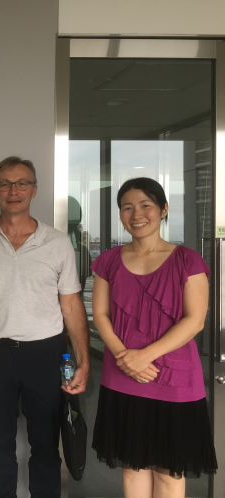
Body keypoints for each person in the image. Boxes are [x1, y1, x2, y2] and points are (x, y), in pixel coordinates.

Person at [0, 156, 90, 498]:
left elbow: (72, 305)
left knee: (45, 443)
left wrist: (84, 361)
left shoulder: (58, 243)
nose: (13, 191)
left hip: (45, 353)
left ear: (34, 190)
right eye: (5, 183)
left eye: (22, 183)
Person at [90, 177, 217, 498]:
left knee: (169, 471)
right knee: (132, 468)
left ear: (163, 210)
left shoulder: (188, 260)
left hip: (174, 379)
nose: (136, 214)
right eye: (127, 207)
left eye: (146, 205)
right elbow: (101, 315)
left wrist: (143, 356)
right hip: (122, 376)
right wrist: (125, 358)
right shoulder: (108, 261)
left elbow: (196, 320)